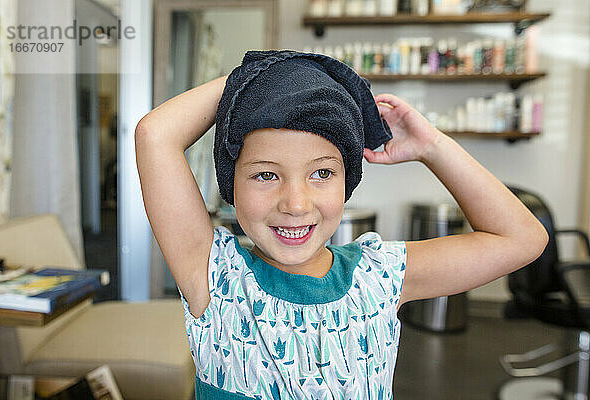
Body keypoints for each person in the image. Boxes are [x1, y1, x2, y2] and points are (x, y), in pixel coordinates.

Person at [135, 50, 548, 400]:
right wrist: (262, 75)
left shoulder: (381, 277)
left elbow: (522, 238)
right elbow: (155, 133)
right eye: (265, 175)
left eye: (321, 174)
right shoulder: (214, 277)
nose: (295, 204)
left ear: (346, 181)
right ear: (232, 186)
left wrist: (432, 147)